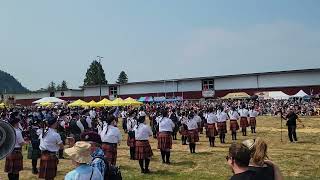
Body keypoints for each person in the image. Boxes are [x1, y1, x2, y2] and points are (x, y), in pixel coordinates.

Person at [5, 113, 26, 180]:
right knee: (16, 172)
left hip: (9, 152)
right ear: (16, 124)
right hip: (16, 152)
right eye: (18, 123)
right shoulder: (17, 132)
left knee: (10, 171)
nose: (19, 124)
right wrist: (25, 143)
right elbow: (21, 143)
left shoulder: (8, 131)